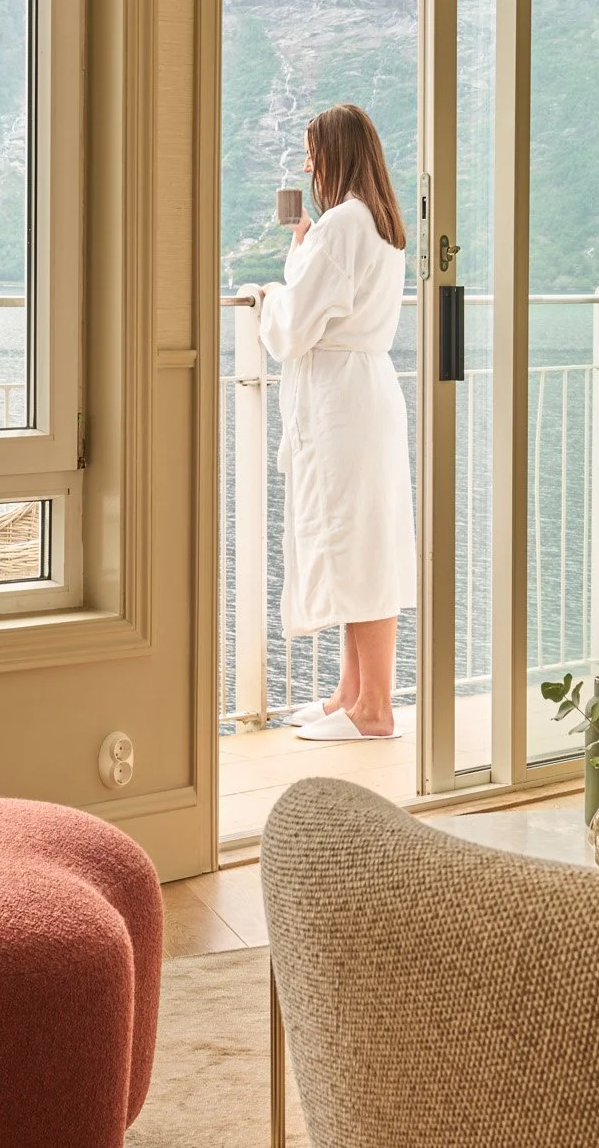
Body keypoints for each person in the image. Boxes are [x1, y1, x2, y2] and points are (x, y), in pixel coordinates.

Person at [260, 103, 416, 740]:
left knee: (360, 552)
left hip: (342, 407)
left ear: (336, 151)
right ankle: (350, 695)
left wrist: (272, 292)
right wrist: (303, 248)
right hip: (364, 393)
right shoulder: (371, 222)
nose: (305, 162)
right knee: (363, 544)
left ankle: (373, 711)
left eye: (311, 149)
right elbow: (329, 301)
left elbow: (293, 328)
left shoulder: (345, 225)